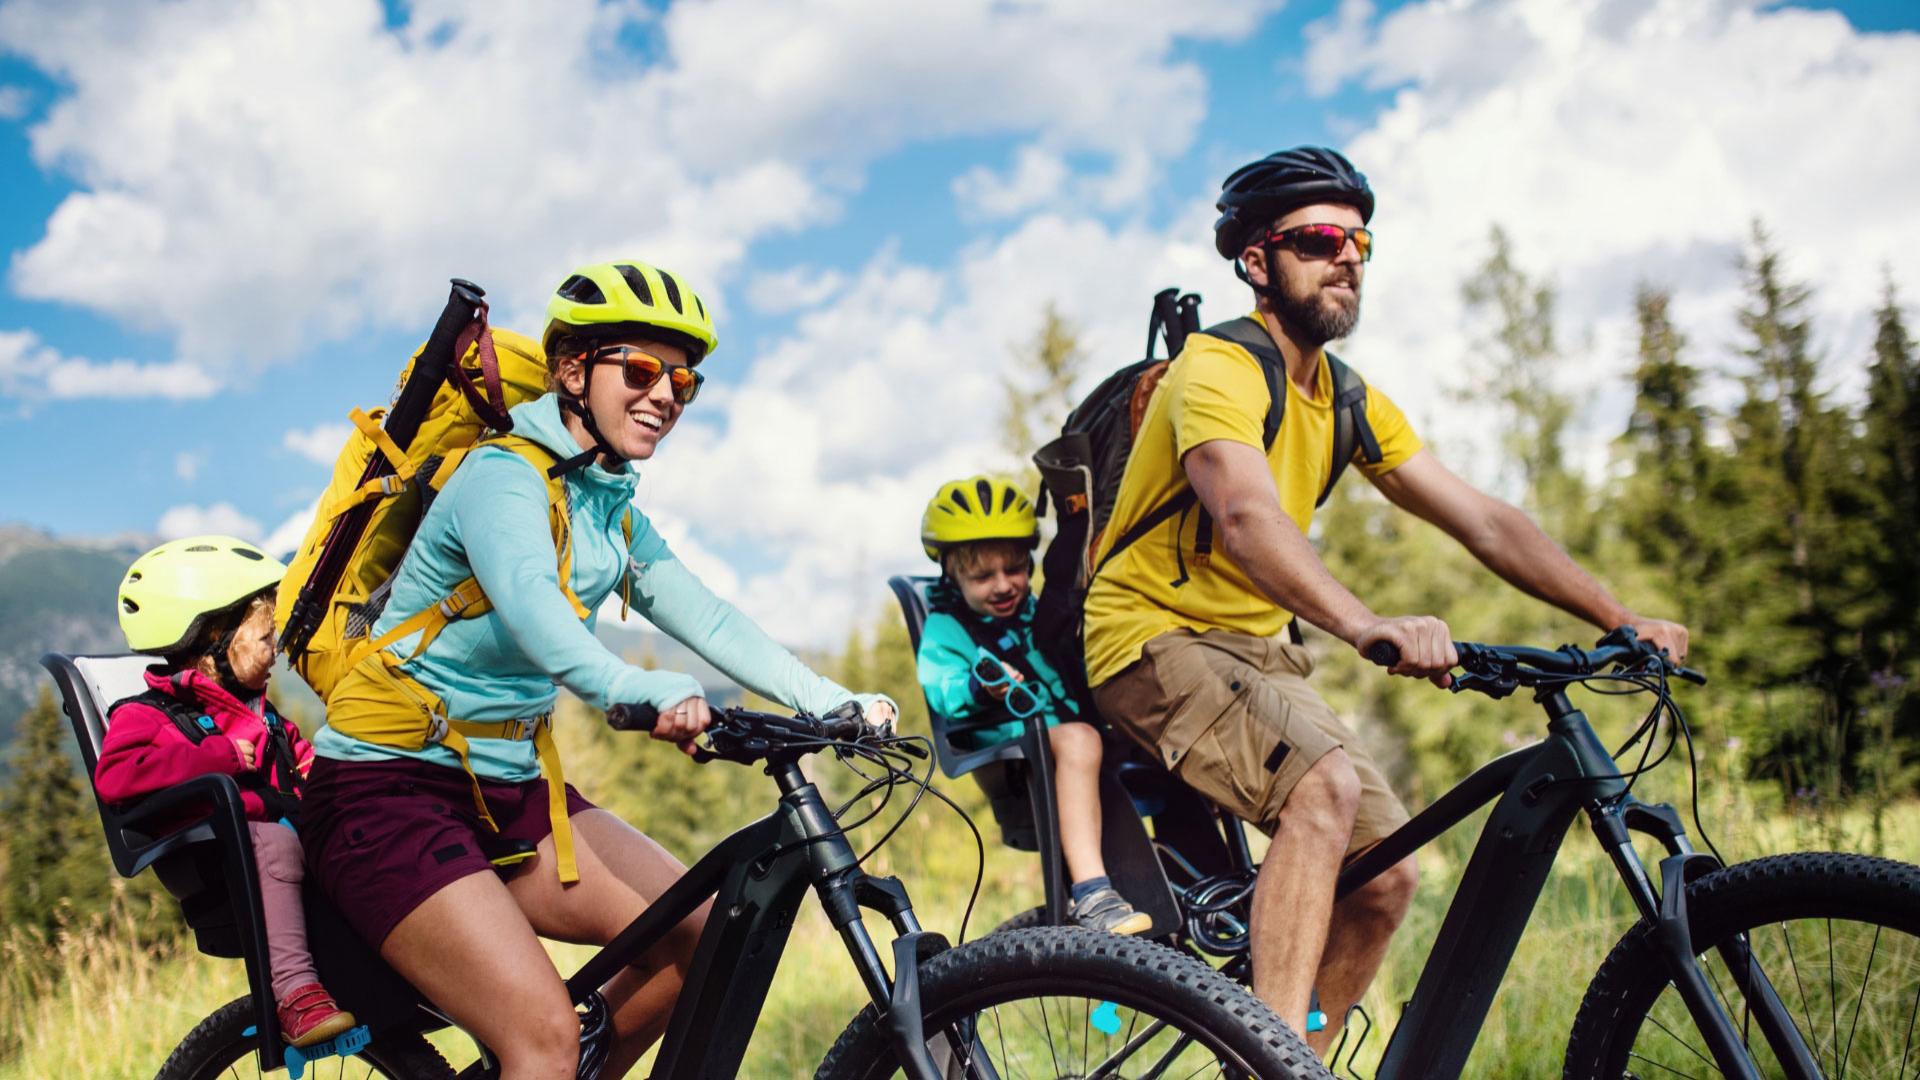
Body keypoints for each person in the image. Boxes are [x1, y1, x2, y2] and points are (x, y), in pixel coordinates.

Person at [1082, 146, 1689, 1053]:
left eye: (1360, 240)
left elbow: (1483, 520)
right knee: (1320, 790)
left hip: (1258, 655)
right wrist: (1365, 624)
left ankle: (1301, 1056)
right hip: (1151, 636)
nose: (1348, 257)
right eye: (1320, 238)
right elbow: (1244, 516)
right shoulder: (1216, 368)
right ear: (1257, 261)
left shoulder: (1345, 399)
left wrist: (1617, 616)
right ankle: (1272, 1063)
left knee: (1384, 876)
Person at [300, 259, 897, 1080]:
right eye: (642, 369)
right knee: (541, 1039)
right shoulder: (501, 479)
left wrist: (837, 702)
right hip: (385, 795)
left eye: (683, 382)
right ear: (573, 370)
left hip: (508, 794)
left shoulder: (606, 504)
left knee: (704, 934)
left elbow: (709, 617)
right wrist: (631, 687)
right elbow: (536, 610)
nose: (665, 396)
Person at [98, 536, 354, 1048]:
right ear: (215, 640)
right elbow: (116, 777)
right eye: (265, 637)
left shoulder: (264, 716)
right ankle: (295, 994)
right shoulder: (144, 716)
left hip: (282, 841)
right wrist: (217, 757)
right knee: (275, 842)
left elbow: (304, 765)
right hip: (219, 856)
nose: (275, 649)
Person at [915, 476, 1150, 935]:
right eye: (983, 576)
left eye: (1015, 569)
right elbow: (942, 689)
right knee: (1081, 739)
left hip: (1063, 739)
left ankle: (1198, 878)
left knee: (1154, 731)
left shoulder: (1035, 614)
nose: (1003, 586)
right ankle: (1092, 893)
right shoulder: (946, 629)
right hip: (1014, 753)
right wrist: (982, 687)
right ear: (952, 575)